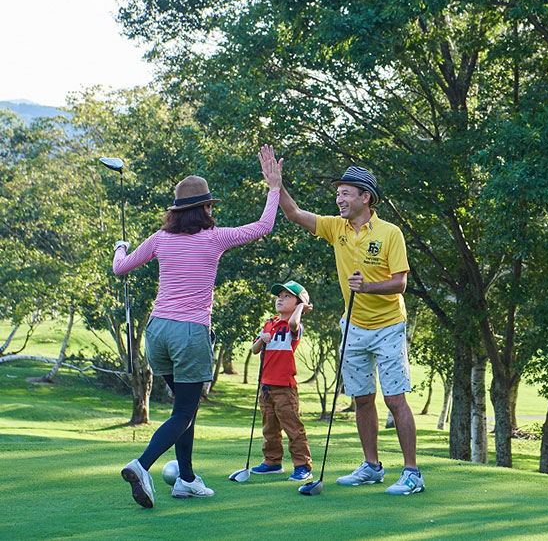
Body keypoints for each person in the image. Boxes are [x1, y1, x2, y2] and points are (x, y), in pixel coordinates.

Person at [113, 145, 283, 508]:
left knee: (183, 407)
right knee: (185, 412)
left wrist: (119, 247)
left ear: (176, 213)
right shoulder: (214, 237)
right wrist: (273, 187)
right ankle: (141, 465)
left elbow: (120, 267)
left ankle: (187, 479)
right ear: (204, 209)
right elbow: (264, 226)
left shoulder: (161, 239)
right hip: (189, 333)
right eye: (209, 206)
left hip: (157, 332)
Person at [264, 149, 423, 496]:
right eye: (338, 193)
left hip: (388, 326)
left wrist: (368, 287)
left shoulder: (389, 232)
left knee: (395, 400)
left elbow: (400, 282)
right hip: (352, 326)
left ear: (365, 197)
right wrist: (277, 187)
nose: (339, 199)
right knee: (363, 399)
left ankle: (412, 473)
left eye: (345, 193)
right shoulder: (336, 228)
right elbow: (293, 213)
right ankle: (372, 466)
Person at [249, 280, 314, 482]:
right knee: (269, 428)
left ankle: (303, 466)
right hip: (265, 386)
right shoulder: (269, 322)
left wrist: (302, 307)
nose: (280, 299)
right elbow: (254, 349)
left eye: (287, 296)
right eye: (279, 295)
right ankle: (272, 462)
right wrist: (263, 338)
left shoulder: (295, 326)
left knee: (293, 428)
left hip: (284, 387)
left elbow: (294, 323)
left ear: (298, 303)